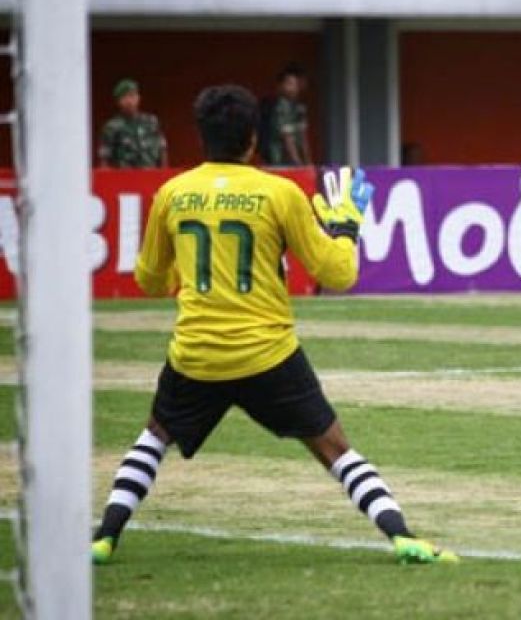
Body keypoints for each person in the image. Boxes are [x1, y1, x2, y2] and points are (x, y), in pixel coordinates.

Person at [91, 84, 457, 566]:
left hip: (198, 353)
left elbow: (150, 280)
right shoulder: (279, 193)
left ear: (201, 138)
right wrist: (345, 228)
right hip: (267, 353)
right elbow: (338, 274)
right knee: (333, 447)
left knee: (155, 436)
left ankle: (104, 538)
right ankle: (402, 536)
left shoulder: (172, 194)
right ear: (253, 140)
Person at [98, 78, 168, 168]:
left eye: (132, 96)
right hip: (124, 178)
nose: (129, 101)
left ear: (138, 98)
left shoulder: (151, 122)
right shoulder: (112, 127)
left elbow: (162, 150)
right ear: (118, 101)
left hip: (151, 175)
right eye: (124, 97)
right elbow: (105, 158)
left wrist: (164, 176)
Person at [264, 63, 311, 166]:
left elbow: (303, 137)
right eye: (289, 84)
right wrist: (298, 163)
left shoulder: (298, 107)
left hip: (294, 159)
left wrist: (308, 162)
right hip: (279, 158)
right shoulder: (282, 106)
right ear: (280, 86)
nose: (293, 88)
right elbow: (287, 137)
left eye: (295, 84)